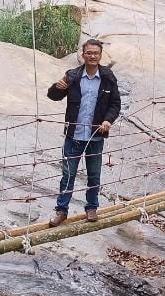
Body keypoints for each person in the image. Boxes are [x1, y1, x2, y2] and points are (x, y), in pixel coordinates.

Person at [46, 39, 122, 226]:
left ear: (100, 55)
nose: (92, 56)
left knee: (94, 174)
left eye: (96, 53)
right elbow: (53, 96)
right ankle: (61, 211)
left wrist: (107, 120)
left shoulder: (108, 77)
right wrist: (57, 87)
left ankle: (91, 208)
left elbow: (115, 104)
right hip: (74, 135)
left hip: (96, 136)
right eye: (89, 53)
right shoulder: (72, 76)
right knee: (68, 174)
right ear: (83, 55)